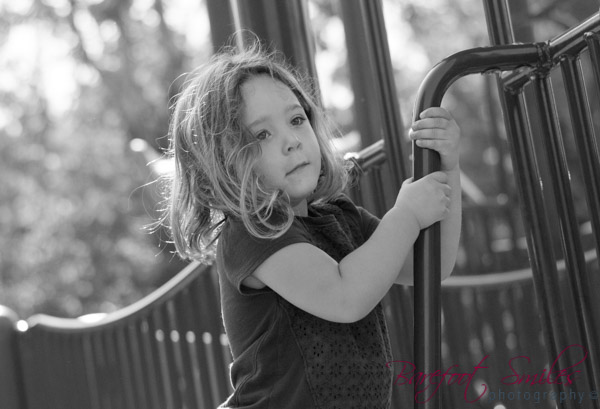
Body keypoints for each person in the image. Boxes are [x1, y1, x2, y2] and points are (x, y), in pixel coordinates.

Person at [163, 43, 461, 409]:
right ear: (224, 163)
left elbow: (432, 264)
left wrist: (448, 167)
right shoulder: (253, 234)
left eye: (296, 120)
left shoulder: (340, 218)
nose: (291, 141)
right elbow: (345, 296)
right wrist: (407, 215)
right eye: (261, 135)